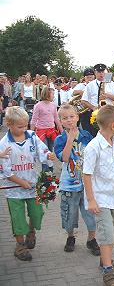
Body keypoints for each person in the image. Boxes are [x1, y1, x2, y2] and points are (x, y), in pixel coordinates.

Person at [83, 105, 114, 286]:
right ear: (112, 125)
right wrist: (91, 199)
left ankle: (105, 259)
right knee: (106, 234)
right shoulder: (93, 147)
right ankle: (108, 271)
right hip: (100, 199)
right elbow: (86, 175)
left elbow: (113, 167)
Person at [0, 106, 55, 261]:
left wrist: (48, 155)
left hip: (32, 185)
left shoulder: (31, 136)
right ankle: (20, 246)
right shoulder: (4, 144)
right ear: (9, 124)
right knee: (18, 218)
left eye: (26, 125)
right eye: (20, 126)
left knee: (37, 213)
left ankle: (31, 231)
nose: (24, 129)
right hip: (14, 189)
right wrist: (20, 181)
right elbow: (6, 171)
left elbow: (41, 151)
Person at [54, 104, 100, 255]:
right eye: (65, 118)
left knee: (91, 214)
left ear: (78, 117)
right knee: (69, 214)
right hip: (69, 185)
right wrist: (70, 139)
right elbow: (65, 158)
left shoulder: (86, 135)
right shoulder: (59, 139)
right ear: (60, 121)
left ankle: (91, 239)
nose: (69, 120)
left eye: (72, 117)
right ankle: (70, 236)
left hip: (88, 184)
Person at [30, 86, 63, 171]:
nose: (53, 95)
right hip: (42, 131)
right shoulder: (38, 105)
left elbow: (56, 118)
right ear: (47, 94)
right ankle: (45, 171)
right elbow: (34, 119)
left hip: (51, 131)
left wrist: (62, 130)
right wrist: (30, 132)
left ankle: (50, 169)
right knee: (44, 151)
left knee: (51, 150)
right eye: (52, 94)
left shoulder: (53, 105)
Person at [81, 63, 108, 136]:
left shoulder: (111, 84)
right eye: (99, 72)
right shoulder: (90, 85)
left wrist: (109, 96)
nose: (101, 74)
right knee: (95, 135)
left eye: (103, 72)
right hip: (95, 114)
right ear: (95, 73)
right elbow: (83, 100)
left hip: (108, 113)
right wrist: (93, 107)